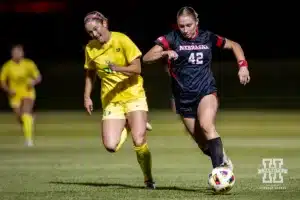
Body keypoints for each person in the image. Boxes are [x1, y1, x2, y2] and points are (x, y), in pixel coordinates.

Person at [143, 6, 250, 174]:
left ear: (196, 22)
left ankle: (219, 173)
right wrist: (164, 53)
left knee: (207, 126)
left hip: (206, 91)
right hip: (183, 97)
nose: (185, 30)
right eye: (182, 26)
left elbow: (235, 45)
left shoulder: (208, 37)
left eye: (189, 25)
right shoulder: (171, 39)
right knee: (202, 143)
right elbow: (146, 57)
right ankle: (221, 158)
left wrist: (243, 66)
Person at [83, 11, 155, 189]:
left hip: (133, 95)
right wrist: (86, 96)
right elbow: (90, 72)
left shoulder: (122, 40)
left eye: (96, 29)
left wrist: (117, 68)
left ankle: (148, 179)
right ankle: (132, 123)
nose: (94, 34)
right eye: (90, 32)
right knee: (110, 146)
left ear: (105, 23)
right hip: (111, 100)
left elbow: (137, 68)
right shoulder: (90, 48)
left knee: (139, 141)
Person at [0, 44, 42, 147]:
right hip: (14, 94)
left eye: (19, 52)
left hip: (28, 92)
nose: (17, 54)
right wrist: (8, 90)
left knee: (25, 113)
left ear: (22, 53)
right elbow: (2, 82)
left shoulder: (28, 64)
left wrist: (33, 82)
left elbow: (38, 77)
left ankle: (28, 140)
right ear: (12, 54)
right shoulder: (7, 66)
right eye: (15, 52)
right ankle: (29, 120)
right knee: (20, 117)